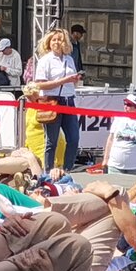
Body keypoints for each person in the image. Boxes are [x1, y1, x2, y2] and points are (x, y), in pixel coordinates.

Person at [30, 28, 82, 172]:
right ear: (49, 42)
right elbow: (39, 84)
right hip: (52, 100)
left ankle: (67, 169)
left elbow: (72, 81)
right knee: (51, 141)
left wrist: (75, 79)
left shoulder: (69, 59)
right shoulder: (45, 61)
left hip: (69, 100)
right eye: (54, 39)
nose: (57, 42)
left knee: (73, 138)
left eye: (60, 39)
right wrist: (64, 80)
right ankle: (48, 170)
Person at [104, 91, 136, 174]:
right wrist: (105, 160)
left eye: (129, 105)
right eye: (125, 104)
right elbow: (110, 140)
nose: (125, 106)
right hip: (115, 165)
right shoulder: (118, 119)